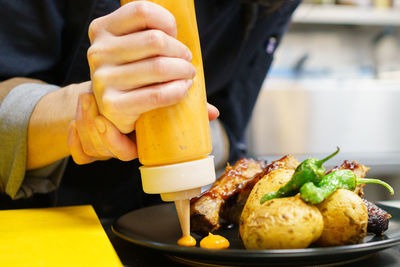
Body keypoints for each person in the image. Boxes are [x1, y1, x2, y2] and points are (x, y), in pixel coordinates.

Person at [0, 0, 300, 218]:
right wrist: (91, 108)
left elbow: (229, 126)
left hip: (161, 227)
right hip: (41, 228)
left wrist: (191, 128)